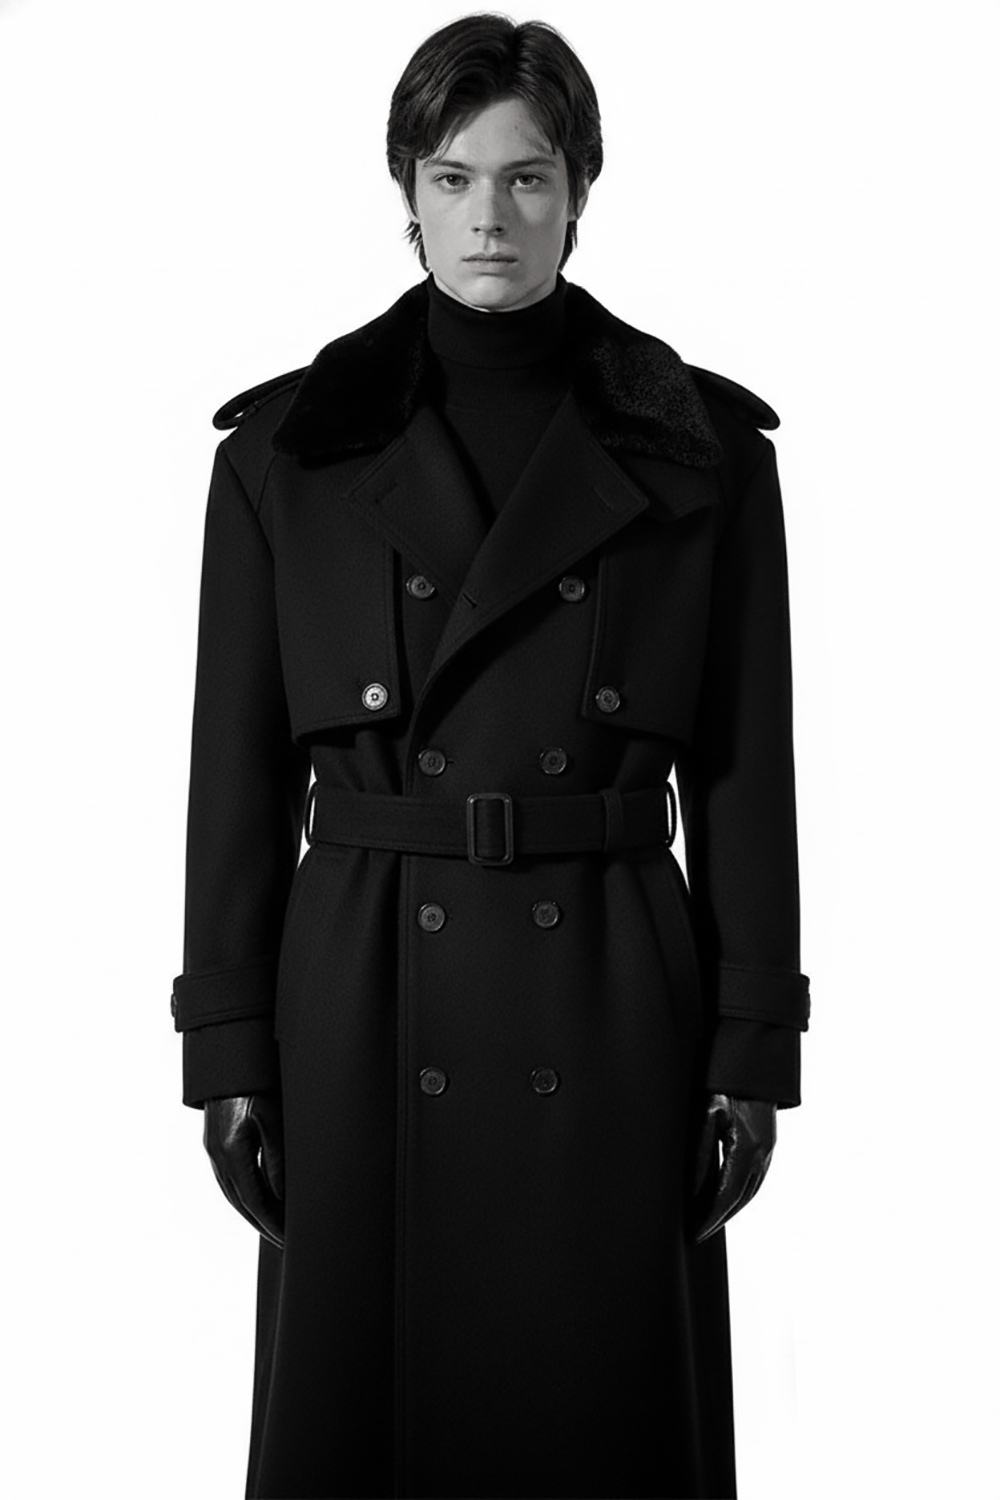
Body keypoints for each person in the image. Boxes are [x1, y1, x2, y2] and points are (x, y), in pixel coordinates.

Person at [170, 14, 811, 1499]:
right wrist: (229, 1047)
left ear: (581, 189)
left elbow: (744, 776)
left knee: (598, 1417)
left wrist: (751, 1047)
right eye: (453, 178)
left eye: (527, 179)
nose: (489, 217)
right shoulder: (283, 454)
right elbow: (235, 780)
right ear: (406, 190)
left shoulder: (706, 451)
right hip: (364, 991)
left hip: (611, 989)